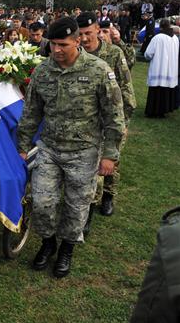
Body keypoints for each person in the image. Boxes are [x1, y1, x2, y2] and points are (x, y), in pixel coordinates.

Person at [17, 17, 125, 278]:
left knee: (77, 206)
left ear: (78, 41)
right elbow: (31, 112)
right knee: (42, 202)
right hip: (50, 148)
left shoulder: (99, 71)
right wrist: (22, 145)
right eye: (53, 44)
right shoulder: (43, 71)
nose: (56, 50)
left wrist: (110, 155)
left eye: (63, 44)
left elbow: (114, 115)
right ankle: (48, 243)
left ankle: (67, 248)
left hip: (84, 150)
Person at [77, 12, 136, 218]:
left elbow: (126, 91)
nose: (84, 39)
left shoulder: (114, 53)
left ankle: (109, 196)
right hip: (85, 120)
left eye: (88, 33)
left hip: (110, 119)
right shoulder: (75, 54)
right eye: (80, 34)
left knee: (110, 161)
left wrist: (123, 123)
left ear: (97, 30)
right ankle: (87, 205)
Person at [144, 19, 179, 118]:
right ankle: (165, 109)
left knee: (156, 91)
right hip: (170, 70)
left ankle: (153, 111)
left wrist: (148, 57)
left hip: (159, 68)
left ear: (160, 27)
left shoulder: (158, 37)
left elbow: (148, 53)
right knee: (166, 91)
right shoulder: (175, 38)